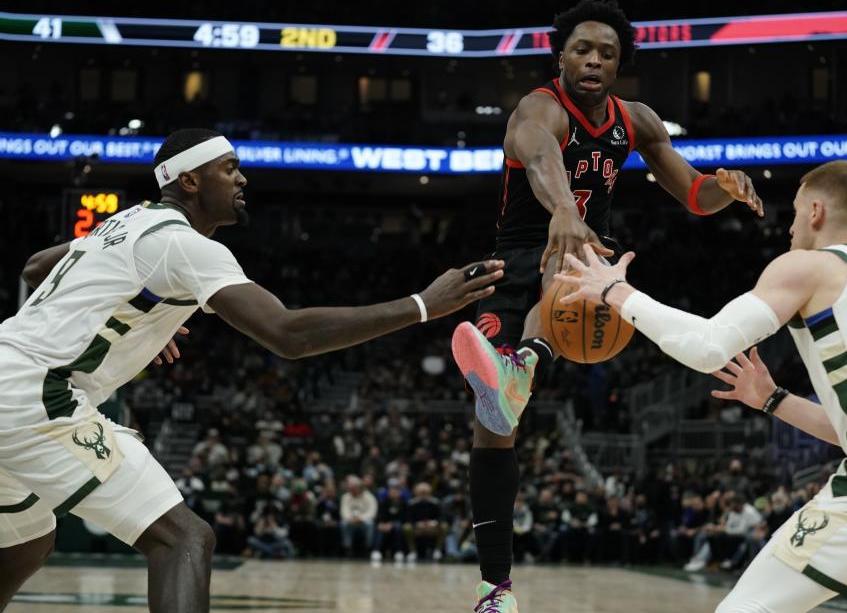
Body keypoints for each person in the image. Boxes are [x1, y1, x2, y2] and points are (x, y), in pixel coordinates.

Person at [0, 128, 504, 612]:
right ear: (189, 181)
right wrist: (421, 304)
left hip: (9, 372)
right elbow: (287, 334)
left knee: (28, 539)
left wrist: (135, 316)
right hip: (36, 395)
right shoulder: (185, 243)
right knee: (184, 540)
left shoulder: (124, 221)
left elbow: (36, 267)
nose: (242, 179)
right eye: (229, 168)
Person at [451, 0, 762, 612]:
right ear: (560, 56)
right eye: (582, 50)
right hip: (514, 256)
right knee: (491, 434)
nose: (594, 60)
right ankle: (497, 592)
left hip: (589, 263)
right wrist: (563, 206)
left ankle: (523, 365)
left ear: (620, 65)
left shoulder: (637, 119)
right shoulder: (538, 107)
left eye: (607, 53)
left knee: (569, 261)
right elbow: (539, 154)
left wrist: (725, 188)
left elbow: (694, 195)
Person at [557, 159, 847, 612]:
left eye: (792, 212)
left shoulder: (810, 266)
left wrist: (615, 291)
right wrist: (773, 398)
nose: (789, 227)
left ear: (815, 212)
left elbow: (708, 346)